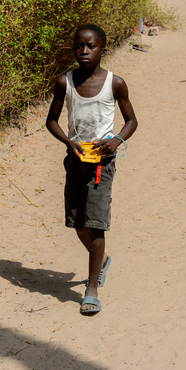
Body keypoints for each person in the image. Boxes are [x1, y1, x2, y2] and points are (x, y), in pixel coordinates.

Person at [46, 24, 138, 315]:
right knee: (77, 222)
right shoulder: (65, 82)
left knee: (96, 222)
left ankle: (92, 289)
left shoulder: (116, 83)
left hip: (102, 164)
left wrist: (117, 139)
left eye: (91, 46)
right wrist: (68, 141)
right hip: (75, 160)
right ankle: (104, 260)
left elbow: (131, 120)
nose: (83, 51)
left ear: (102, 49)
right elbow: (51, 120)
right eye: (78, 46)